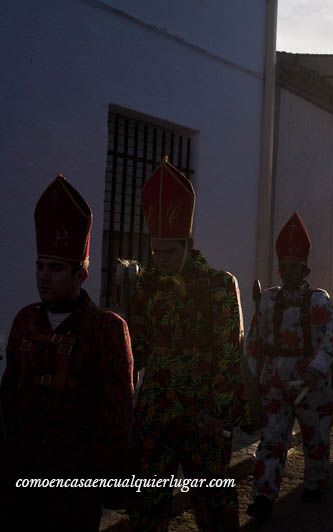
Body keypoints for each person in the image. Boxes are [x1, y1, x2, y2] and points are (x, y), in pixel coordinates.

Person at [0, 175, 134, 531]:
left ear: (80, 273)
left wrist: (110, 483)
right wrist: (2, 448)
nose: (43, 276)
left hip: (71, 488)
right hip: (18, 480)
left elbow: (117, 415)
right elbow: (9, 390)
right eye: (40, 265)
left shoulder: (105, 330)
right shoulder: (24, 320)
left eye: (55, 268)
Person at [129, 158, 245, 531]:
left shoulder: (219, 285)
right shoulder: (146, 285)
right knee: (147, 504)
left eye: (168, 252)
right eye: (155, 251)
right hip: (156, 410)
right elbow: (139, 347)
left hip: (202, 415)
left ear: (187, 244)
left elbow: (231, 353)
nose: (159, 260)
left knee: (213, 506)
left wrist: (217, 411)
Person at [244, 213, 333, 522]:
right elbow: (255, 342)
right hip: (275, 382)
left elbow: (330, 341)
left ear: (305, 268)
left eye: (294, 267)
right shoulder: (267, 300)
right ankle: (263, 495)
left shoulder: (319, 301)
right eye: (284, 266)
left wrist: (316, 370)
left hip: (311, 384)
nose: (288, 272)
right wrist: (251, 378)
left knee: (316, 438)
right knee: (272, 439)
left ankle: (315, 483)